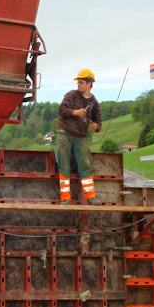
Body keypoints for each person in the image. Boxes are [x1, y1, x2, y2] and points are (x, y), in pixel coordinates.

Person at [56, 68, 103, 205]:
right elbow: (61, 110)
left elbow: (98, 121)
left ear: (89, 83)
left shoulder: (94, 103)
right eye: (78, 82)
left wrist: (96, 127)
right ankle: (65, 199)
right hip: (64, 134)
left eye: (81, 82)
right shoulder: (70, 95)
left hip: (81, 137)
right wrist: (75, 112)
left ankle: (91, 197)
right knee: (64, 165)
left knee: (85, 165)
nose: (78, 85)